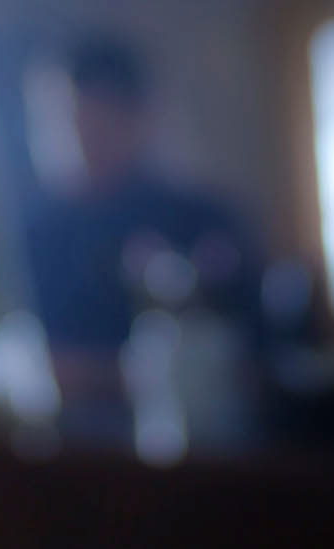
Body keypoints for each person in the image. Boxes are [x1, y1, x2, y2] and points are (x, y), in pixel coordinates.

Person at [21, 36, 265, 454]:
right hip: (70, 453)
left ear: (138, 116)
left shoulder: (205, 221)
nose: (78, 139)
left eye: (95, 120)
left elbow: (250, 363)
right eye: (63, 122)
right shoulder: (35, 233)